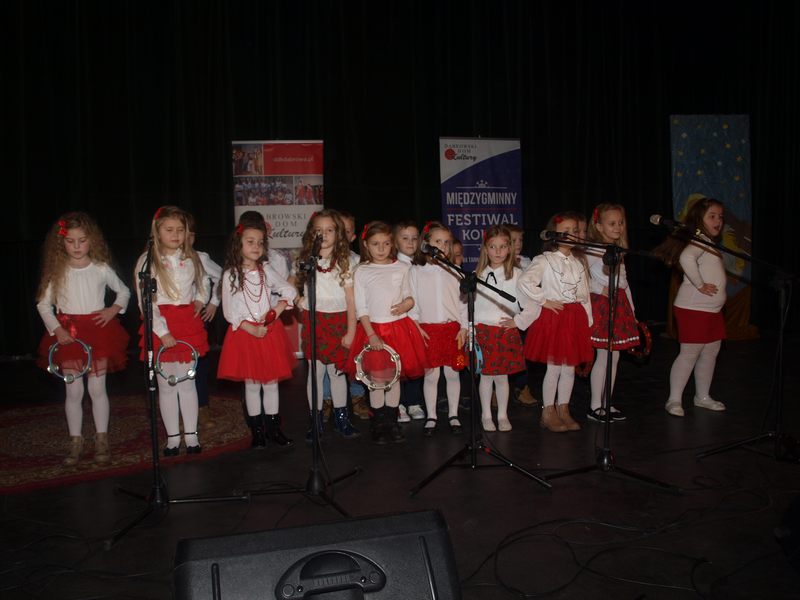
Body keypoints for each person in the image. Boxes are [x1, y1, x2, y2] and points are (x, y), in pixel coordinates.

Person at [36, 212, 130, 465]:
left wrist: (113, 310)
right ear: (62, 243)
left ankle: (102, 438)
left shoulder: (100, 268)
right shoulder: (57, 272)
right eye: (70, 241)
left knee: (97, 388)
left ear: (92, 240)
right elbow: (43, 305)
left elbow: (124, 291)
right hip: (69, 335)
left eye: (82, 240)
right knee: (74, 390)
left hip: (98, 332)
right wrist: (57, 329)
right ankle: (76, 440)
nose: (77, 246)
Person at [135, 206, 209, 456]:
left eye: (180, 230)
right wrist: (162, 331)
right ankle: (172, 438)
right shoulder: (147, 262)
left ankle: (192, 435)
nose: (176, 235)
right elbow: (145, 303)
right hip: (161, 326)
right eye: (169, 230)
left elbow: (204, 281)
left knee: (188, 382)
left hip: (187, 324)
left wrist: (200, 299)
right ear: (157, 232)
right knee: (167, 384)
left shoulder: (191, 258)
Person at [345, 221, 427, 444]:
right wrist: (371, 334)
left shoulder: (401, 268)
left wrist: (406, 304)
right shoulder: (361, 271)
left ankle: (392, 421)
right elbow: (361, 308)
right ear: (366, 245)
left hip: (398, 329)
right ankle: (378, 423)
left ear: (392, 244)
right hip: (373, 330)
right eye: (375, 244)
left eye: (386, 243)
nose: (381, 248)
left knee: (394, 379)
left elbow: (409, 296)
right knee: (377, 380)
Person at [217, 220, 296, 447]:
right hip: (245, 334)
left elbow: (289, 290)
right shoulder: (230, 275)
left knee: (270, 383)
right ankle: (257, 431)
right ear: (238, 244)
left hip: (268, 333)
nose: (256, 246)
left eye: (260, 243)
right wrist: (250, 327)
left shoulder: (266, 271)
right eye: (250, 242)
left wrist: (277, 308)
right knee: (252, 384)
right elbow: (229, 312)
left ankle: (274, 428)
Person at [517, 213, 593, 432]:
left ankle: (564, 408)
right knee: (554, 368)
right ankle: (548, 410)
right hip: (556, 317)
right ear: (553, 234)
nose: (571, 235)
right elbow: (525, 282)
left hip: (574, 318)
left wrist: (588, 321)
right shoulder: (545, 260)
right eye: (565, 231)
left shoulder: (579, 262)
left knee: (569, 368)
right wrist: (544, 300)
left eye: (574, 230)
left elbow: (584, 294)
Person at [654, 198, 727, 417]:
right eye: (712, 216)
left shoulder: (708, 242)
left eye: (720, 217)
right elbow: (686, 258)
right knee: (689, 354)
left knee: (710, 353)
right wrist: (700, 284)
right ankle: (674, 399)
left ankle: (702, 397)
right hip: (694, 309)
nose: (718, 221)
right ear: (698, 219)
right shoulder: (700, 241)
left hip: (711, 311)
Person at [294, 209, 360, 441]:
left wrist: (351, 331)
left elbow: (351, 300)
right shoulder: (305, 260)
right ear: (311, 234)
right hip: (315, 321)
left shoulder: (345, 261)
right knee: (315, 372)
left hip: (338, 321)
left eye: (329, 230)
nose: (323, 235)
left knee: (337, 372)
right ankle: (315, 420)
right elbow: (293, 284)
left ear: (338, 233)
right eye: (318, 230)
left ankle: (342, 418)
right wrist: (298, 300)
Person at [409, 221, 467, 436]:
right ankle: (431, 415)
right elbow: (412, 300)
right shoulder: (416, 271)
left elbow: (463, 303)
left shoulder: (455, 271)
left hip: (452, 330)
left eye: (446, 242)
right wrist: (416, 325)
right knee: (431, 375)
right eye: (437, 241)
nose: (442, 246)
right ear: (426, 243)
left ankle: (453, 414)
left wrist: (464, 327)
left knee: (453, 374)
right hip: (428, 330)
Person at [584, 204, 639, 422]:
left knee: (614, 357)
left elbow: (624, 282)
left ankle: (607, 402)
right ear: (599, 226)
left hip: (619, 303)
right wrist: (601, 289)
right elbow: (582, 279)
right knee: (604, 355)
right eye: (612, 223)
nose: (618, 227)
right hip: (602, 304)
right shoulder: (593, 250)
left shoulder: (617, 249)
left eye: (621, 223)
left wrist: (632, 310)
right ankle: (595, 405)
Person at [474, 226, 529, 432]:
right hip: (483, 331)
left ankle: (502, 415)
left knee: (502, 377)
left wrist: (519, 321)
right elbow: (469, 305)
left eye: (503, 246)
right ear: (485, 249)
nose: (498, 251)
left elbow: (531, 304)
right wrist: (471, 328)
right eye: (493, 247)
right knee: (486, 376)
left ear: (510, 249)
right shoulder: (478, 274)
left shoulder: (517, 274)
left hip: (504, 331)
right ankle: (486, 415)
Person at [185, 212, 222, 431]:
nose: (186, 239)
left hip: (195, 318)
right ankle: (180, 409)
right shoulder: (159, 259)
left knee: (198, 364)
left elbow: (222, 276)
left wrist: (213, 303)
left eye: (190, 235)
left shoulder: (201, 258)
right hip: (171, 320)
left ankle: (202, 406)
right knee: (175, 365)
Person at [339, 210, 370, 420]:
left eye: (347, 231)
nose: (342, 235)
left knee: (356, 358)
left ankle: (357, 396)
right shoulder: (324, 259)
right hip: (333, 316)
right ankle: (328, 400)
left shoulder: (359, 262)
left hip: (356, 317)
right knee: (331, 361)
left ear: (353, 236)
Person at [394, 220, 425, 423]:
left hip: (420, 320)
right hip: (403, 321)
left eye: (414, 238)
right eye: (405, 238)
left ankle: (414, 402)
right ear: (395, 242)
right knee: (399, 364)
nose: (410, 242)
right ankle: (399, 404)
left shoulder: (421, 265)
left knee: (415, 363)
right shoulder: (395, 267)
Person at [506, 224, 537, 407]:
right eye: (513, 240)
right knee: (503, 354)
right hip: (506, 316)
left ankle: (522, 388)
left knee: (523, 354)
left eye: (520, 240)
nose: (518, 243)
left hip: (524, 315)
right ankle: (496, 389)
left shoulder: (527, 262)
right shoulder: (499, 262)